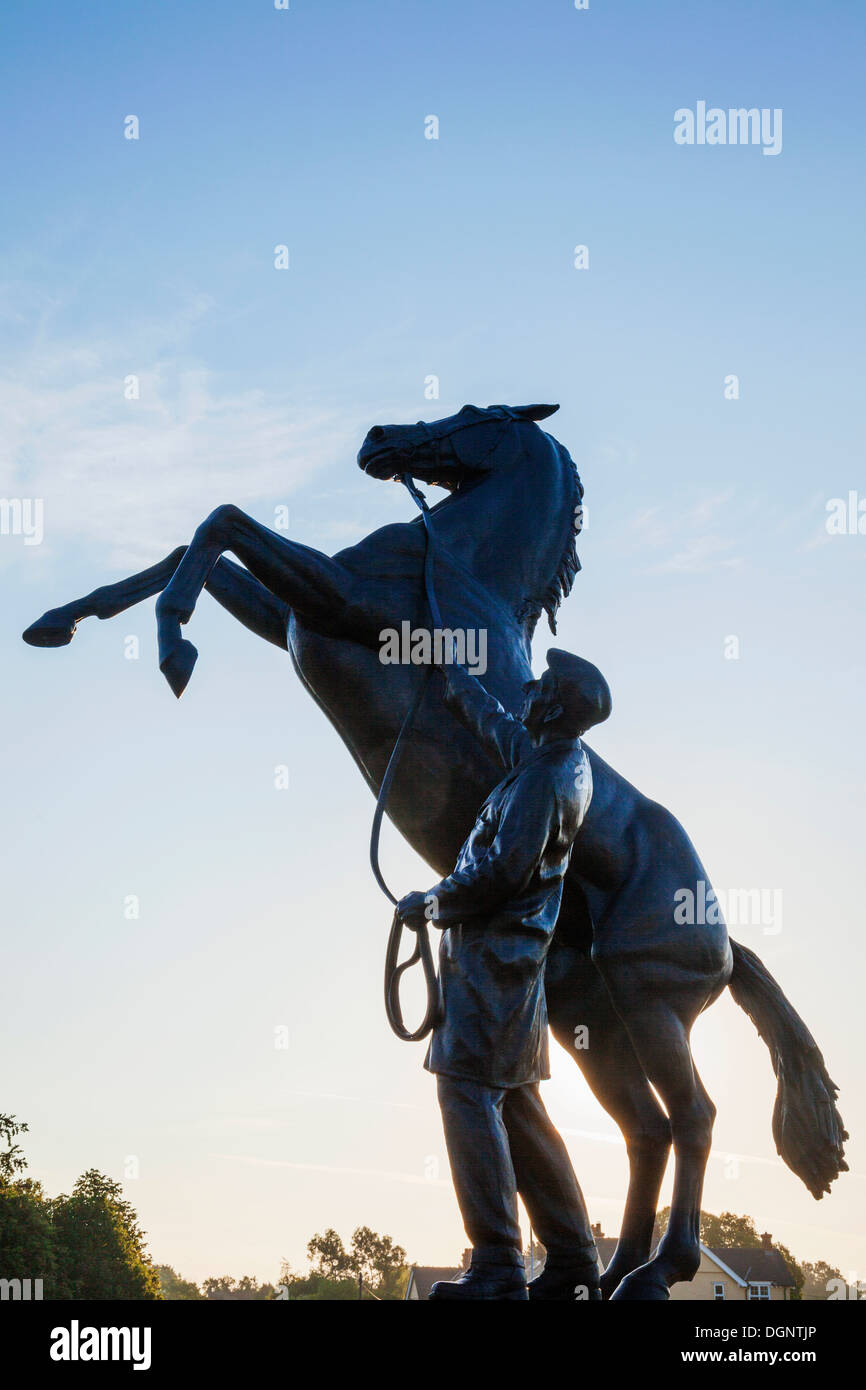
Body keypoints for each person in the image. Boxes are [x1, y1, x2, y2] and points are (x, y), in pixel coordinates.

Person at [397, 648, 612, 1300]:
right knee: (518, 1109)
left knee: (465, 1091)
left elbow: (505, 871)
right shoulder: (550, 760)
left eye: (540, 684)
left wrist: (433, 903)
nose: (528, 686)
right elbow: (498, 725)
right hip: (505, 972)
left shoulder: (547, 779)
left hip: (494, 972)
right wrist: (452, 680)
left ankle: (497, 1264)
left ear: (553, 705)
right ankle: (575, 1259)